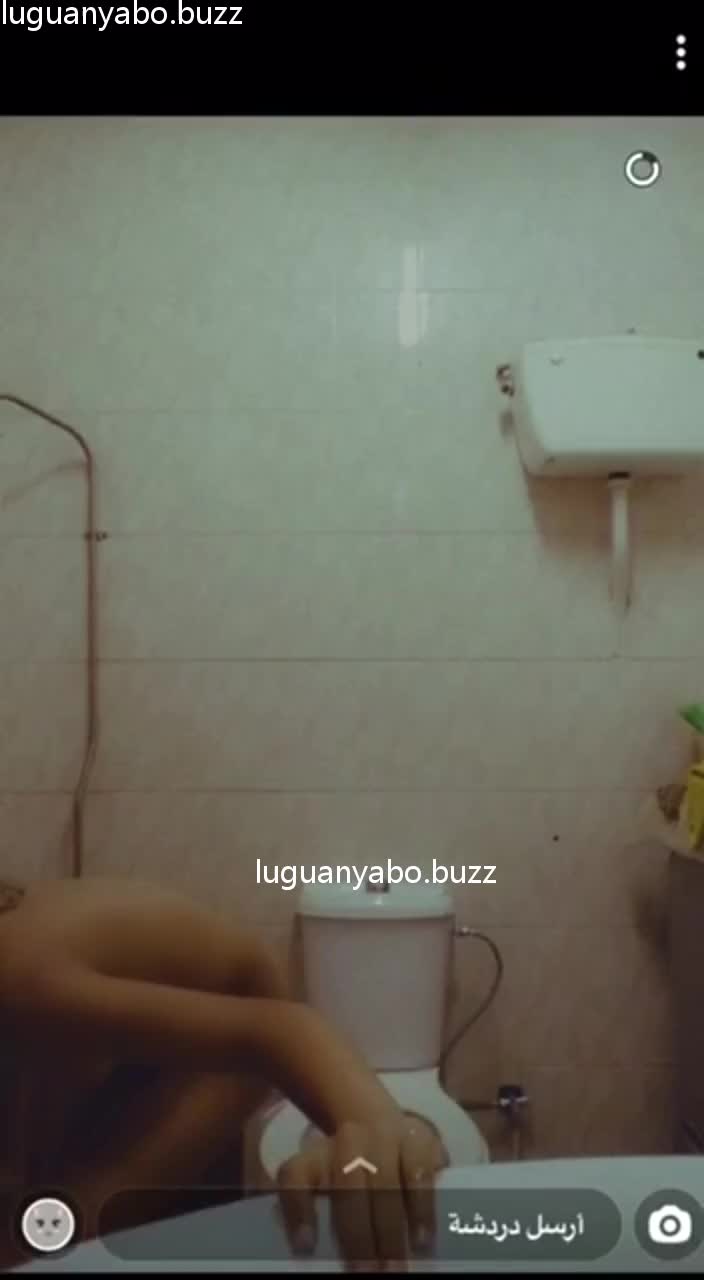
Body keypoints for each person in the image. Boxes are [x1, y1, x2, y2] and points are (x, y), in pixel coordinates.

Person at [0, 876, 446, 1268]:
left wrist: (378, 1133)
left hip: (242, 1032)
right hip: (137, 1038)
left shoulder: (19, 977)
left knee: (57, 1234)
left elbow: (283, 1032)